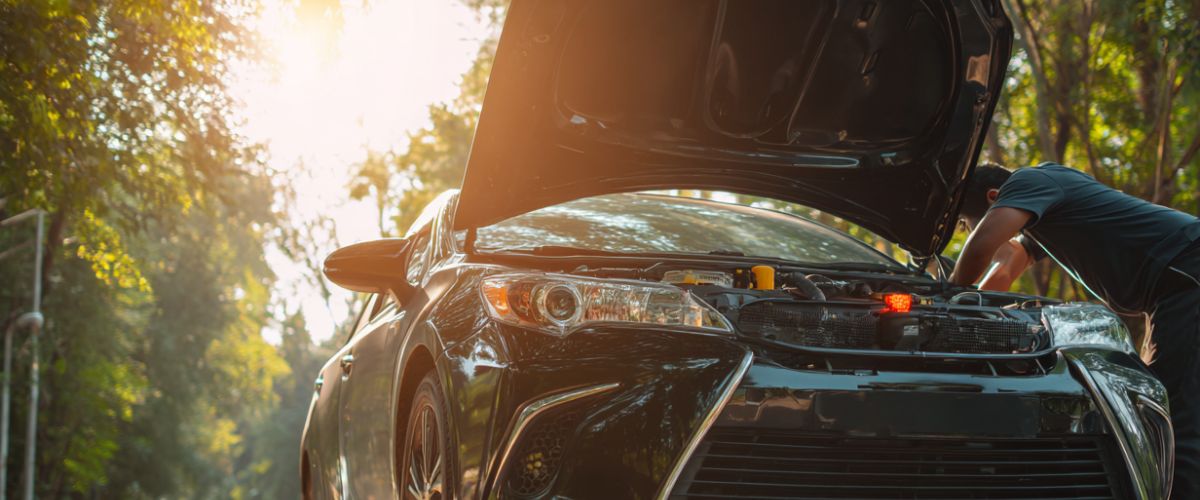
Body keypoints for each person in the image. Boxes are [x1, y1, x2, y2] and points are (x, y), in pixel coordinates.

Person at [950, 162, 1200, 497]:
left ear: (995, 198)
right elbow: (1007, 267)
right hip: (1178, 282)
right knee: (1168, 403)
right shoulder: (1048, 205)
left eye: (971, 224)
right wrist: (967, 310)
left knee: (1173, 413)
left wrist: (950, 295)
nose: (976, 232)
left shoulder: (1030, 180)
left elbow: (981, 247)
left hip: (1187, 272)